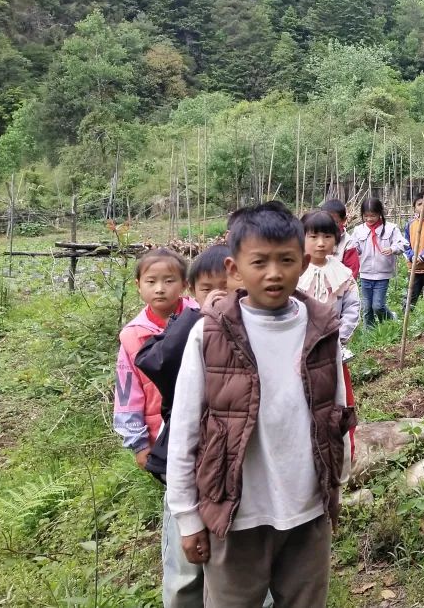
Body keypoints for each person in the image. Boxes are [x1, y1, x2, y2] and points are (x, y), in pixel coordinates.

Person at [167, 201, 353, 608]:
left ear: (303, 263)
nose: (274, 273)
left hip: (307, 510)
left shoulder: (322, 330)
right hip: (237, 515)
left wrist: (335, 485)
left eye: (286, 260)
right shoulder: (210, 336)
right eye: (260, 262)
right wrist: (186, 516)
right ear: (234, 270)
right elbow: (185, 430)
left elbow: (335, 412)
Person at [133, 248, 224, 608]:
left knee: (237, 559)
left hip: (235, 467)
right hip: (188, 461)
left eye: (227, 287)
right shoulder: (187, 326)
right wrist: (196, 319)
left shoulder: (258, 329)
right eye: (207, 289)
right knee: (186, 566)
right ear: (192, 292)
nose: (219, 296)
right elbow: (153, 362)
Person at [114, 248, 194, 473]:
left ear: (184, 284)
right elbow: (126, 392)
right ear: (138, 285)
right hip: (161, 432)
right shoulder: (132, 336)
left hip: (203, 424)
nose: (160, 289)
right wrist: (138, 443)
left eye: (169, 281)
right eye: (151, 281)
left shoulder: (202, 320)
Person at [298, 210, 361, 342]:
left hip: (333, 340)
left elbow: (351, 306)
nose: (321, 243)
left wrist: (340, 335)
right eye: (313, 237)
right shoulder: (293, 272)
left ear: (336, 238)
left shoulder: (343, 274)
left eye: (327, 236)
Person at [351, 198, 408, 328]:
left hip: (383, 274)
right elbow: (355, 247)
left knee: (377, 305)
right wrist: (354, 250)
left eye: (373, 215)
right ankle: (369, 331)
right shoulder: (358, 230)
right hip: (365, 273)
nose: (369, 219)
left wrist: (392, 249)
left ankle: (390, 317)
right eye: (366, 216)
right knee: (366, 306)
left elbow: (403, 243)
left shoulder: (390, 228)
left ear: (380, 213)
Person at [321, 199, 359, 279]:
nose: (330, 225)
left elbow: (352, 269)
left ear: (344, 220)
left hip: (339, 284)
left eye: (335, 222)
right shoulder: (316, 237)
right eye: (326, 221)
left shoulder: (348, 242)